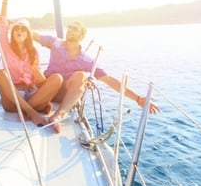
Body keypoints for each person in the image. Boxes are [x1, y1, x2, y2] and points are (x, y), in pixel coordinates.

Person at [32, 21, 161, 133]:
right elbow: (29, 34)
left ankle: (58, 116)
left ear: (82, 35)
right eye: (70, 27)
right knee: (55, 77)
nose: (70, 30)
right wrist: (15, 21)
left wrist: (137, 99)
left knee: (82, 76)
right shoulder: (54, 43)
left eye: (75, 29)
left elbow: (109, 80)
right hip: (48, 87)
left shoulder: (86, 60)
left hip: (63, 95)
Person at [0, 0, 63, 127]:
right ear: (13, 33)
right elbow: (4, 23)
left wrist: (37, 73)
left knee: (57, 78)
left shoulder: (33, 52)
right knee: (1, 74)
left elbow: (41, 81)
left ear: (28, 34)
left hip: (31, 92)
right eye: (17, 28)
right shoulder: (6, 47)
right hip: (13, 98)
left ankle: (26, 109)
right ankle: (33, 111)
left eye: (23, 29)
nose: (19, 31)